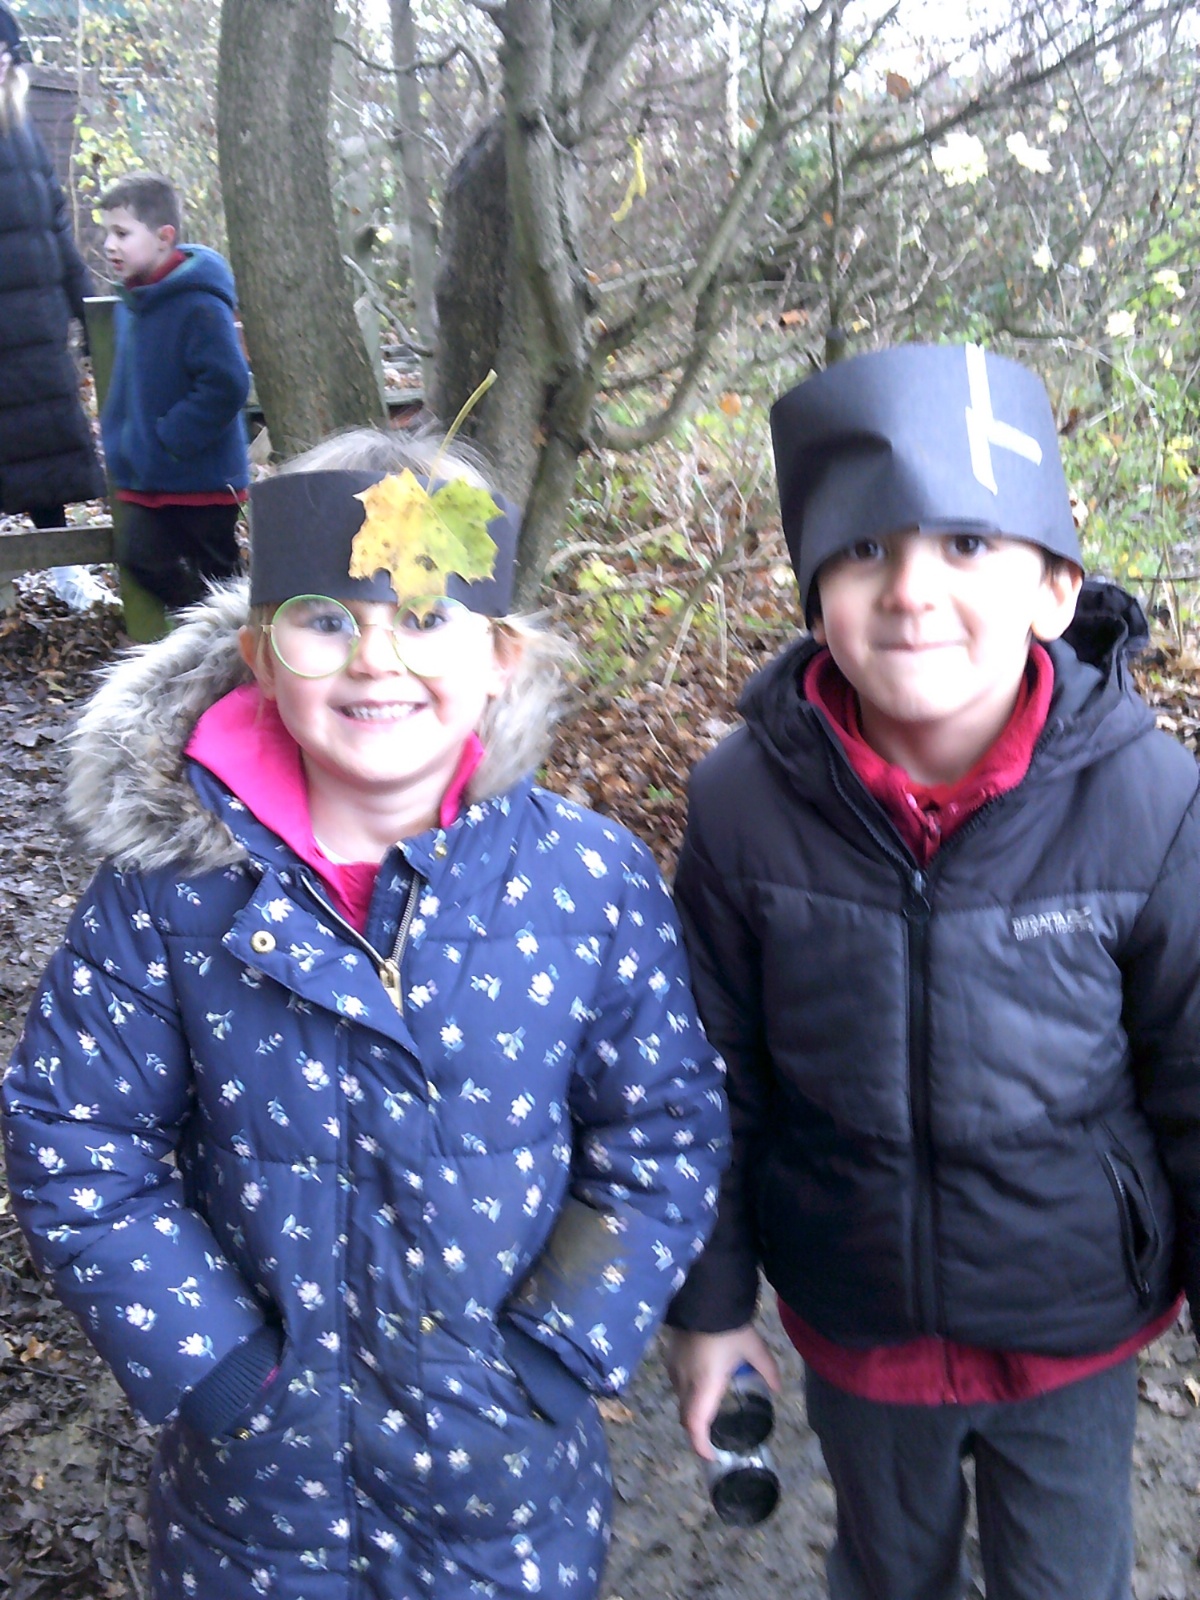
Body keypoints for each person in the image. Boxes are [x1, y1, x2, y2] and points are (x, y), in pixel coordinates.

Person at [1, 426, 728, 1600]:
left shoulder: (589, 882)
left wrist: (560, 1346)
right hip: (256, 1506)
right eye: (326, 620)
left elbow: (663, 1124)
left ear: (500, 655)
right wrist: (216, 1364)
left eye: (426, 616)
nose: (376, 659)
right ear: (259, 655)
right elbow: (75, 1135)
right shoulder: (170, 894)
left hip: (506, 1499)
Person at [663, 342, 1200, 1600]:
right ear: (815, 596)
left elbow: (1192, 1067)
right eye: (863, 548)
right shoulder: (742, 804)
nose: (910, 591)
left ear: (1056, 587)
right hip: (857, 1316)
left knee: (1067, 1579)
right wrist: (713, 1306)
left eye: (966, 543)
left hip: (1071, 1316)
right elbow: (709, 1078)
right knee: (890, 1572)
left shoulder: (1148, 800)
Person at [98, 169, 250, 609]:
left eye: (122, 233)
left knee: (218, 575)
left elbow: (227, 383)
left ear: (164, 237)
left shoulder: (200, 302)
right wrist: (127, 442)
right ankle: (201, 628)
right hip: (149, 476)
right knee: (140, 558)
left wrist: (172, 436)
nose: (109, 245)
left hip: (202, 478)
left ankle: (229, 636)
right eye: (107, 233)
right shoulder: (134, 302)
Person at [0, 2, 104, 529]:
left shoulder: (22, 134)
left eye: (5, 53)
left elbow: (56, 225)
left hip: (37, 332)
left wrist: (91, 310)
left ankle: (62, 561)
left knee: (46, 453)